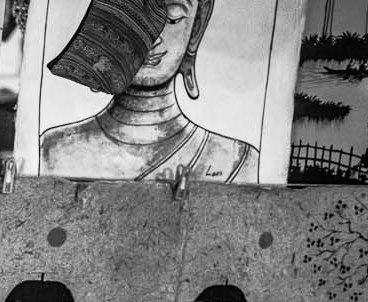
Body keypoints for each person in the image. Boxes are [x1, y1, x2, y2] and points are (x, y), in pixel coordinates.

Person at [40, 0, 258, 183]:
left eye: (172, 18)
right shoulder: (54, 149)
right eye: (134, 18)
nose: (153, 39)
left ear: (196, 26)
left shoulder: (235, 159)